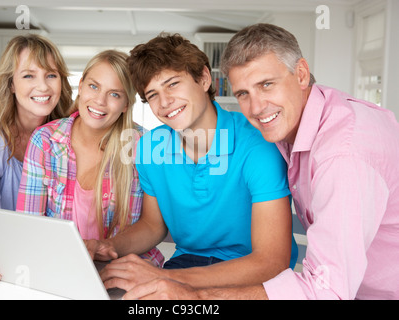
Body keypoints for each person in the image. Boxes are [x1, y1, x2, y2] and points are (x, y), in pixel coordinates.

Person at [125, 23, 399, 300]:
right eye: (243, 93)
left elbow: (324, 290)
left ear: (301, 74)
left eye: (266, 84)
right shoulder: (296, 124)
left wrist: (192, 296)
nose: (255, 109)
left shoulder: (342, 155)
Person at [94, 33, 298, 294]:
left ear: (203, 78)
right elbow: (152, 225)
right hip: (187, 264)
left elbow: (270, 262)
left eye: (173, 84)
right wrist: (108, 247)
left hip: (252, 278)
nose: (165, 102)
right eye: (153, 94)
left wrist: (165, 279)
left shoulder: (257, 145)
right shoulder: (149, 147)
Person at [16, 50, 164, 267]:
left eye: (115, 94)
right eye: (93, 86)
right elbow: (29, 224)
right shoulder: (45, 141)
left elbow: (154, 226)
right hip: (59, 266)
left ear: (126, 105)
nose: (99, 101)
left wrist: (106, 248)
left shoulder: (144, 145)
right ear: (81, 85)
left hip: (125, 266)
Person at [0, 34, 73, 282]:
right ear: (11, 84)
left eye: (51, 75)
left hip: (54, 255)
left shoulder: (65, 132)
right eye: (28, 75)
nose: (43, 87)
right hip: (4, 259)